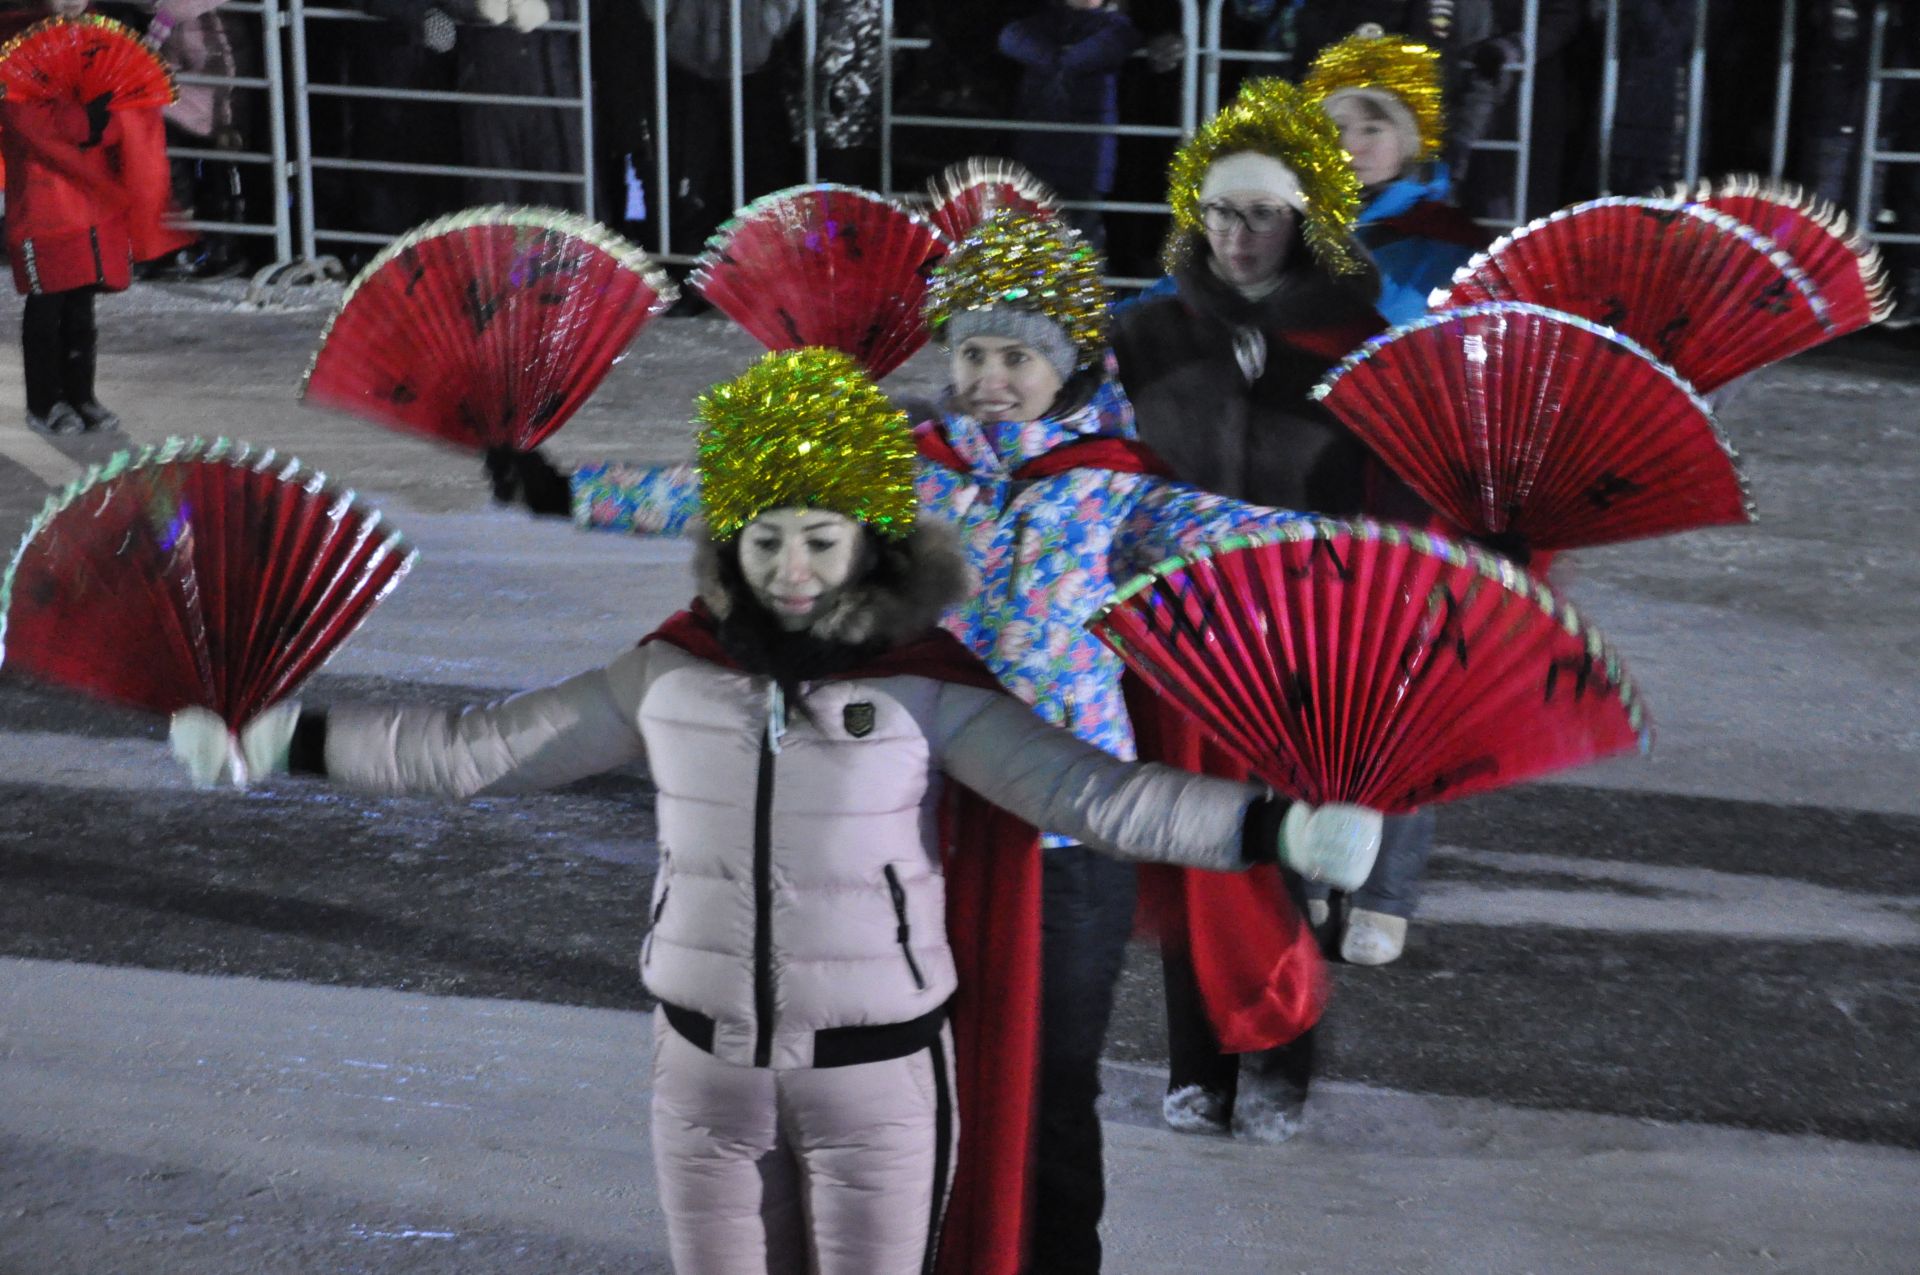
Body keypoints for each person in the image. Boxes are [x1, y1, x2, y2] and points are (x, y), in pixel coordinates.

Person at [169, 345, 1385, 1275]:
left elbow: (1097, 797)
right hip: (703, 1079)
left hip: (879, 1080)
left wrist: (1272, 829)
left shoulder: (926, 689)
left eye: (820, 538)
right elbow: (472, 753)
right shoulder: (670, 674)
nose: (792, 567)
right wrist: (288, 738)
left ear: (868, 545)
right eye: (765, 540)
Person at [493, 207, 1349, 1269]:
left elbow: (1252, 538)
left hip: (1063, 840)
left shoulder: (1111, 484)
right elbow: (740, 496)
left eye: (1019, 357)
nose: (992, 377)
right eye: (976, 352)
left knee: (1046, 1081)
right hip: (920, 818)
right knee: (922, 1074)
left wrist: (1385, 550)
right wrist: (573, 490)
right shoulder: (907, 462)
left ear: (1069, 361)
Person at [1108, 79, 1436, 1143]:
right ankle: (1198, 1067)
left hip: (1307, 639)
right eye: (1218, 210)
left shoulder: (1357, 343)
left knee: (1293, 859)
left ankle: (1281, 1064)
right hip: (1178, 636)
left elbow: (1400, 496)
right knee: (1192, 852)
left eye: (1258, 212)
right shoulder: (1149, 333)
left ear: (1303, 221)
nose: (1235, 233)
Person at [0, 0, 191, 434]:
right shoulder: (15, 43)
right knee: (47, 303)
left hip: (90, 204)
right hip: (44, 201)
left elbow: (122, 109)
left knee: (81, 306)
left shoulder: (98, 41)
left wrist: (104, 119)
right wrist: (86, 122)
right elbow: (24, 120)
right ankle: (45, 401)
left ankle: (82, 395)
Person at [1303, 25, 1490, 326]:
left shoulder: (1452, 245)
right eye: (1337, 128)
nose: (1350, 147)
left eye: (1372, 129)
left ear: (1407, 141)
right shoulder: (1283, 227)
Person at [997, 0, 1141, 249]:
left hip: (1084, 159)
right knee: (1034, 235)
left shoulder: (1115, 27)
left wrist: (1056, 61)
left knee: (1079, 234)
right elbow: (1010, 38)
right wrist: (1059, 59)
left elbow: (1105, 48)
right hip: (1042, 152)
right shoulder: (1044, 21)